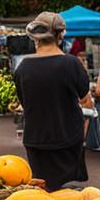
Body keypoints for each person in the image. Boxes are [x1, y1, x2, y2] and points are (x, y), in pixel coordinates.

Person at [12, 13, 89, 188]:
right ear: (61, 35)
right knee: (70, 195)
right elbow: (86, 100)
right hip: (67, 138)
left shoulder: (22, 68)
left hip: (35, 140)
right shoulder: (71, 64)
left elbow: (25, 103)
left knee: (42, 191)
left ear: (35, 37)